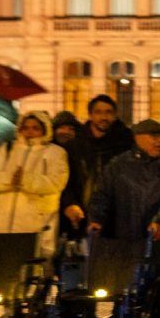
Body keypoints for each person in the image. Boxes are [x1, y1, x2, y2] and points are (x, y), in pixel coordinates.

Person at [88, 118, 160, 318]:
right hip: (127, 238)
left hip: (158, 241)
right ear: (137, 138)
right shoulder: (118, 165)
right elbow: (103, 195)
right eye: (154, 136)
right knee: (129, 291)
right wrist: (96, 219)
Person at [0, 110, 70, 258]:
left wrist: (26, 180)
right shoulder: (8, 148)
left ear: (44, 129)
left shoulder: (56, 152)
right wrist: (9, 179)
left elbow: (56, 182)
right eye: (26, 127)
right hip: (0, 222)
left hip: (35, 223)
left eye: (35, 128)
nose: (30, 132)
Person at [60, 95, 133, 240]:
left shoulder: (126, 143)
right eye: (99, 112)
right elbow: (67, 180)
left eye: (108, 112)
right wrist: (69, 204)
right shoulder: (75, 145)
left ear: (115, 115)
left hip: (116, 217)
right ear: (91, 115)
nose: (103, 117)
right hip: (81, 215)